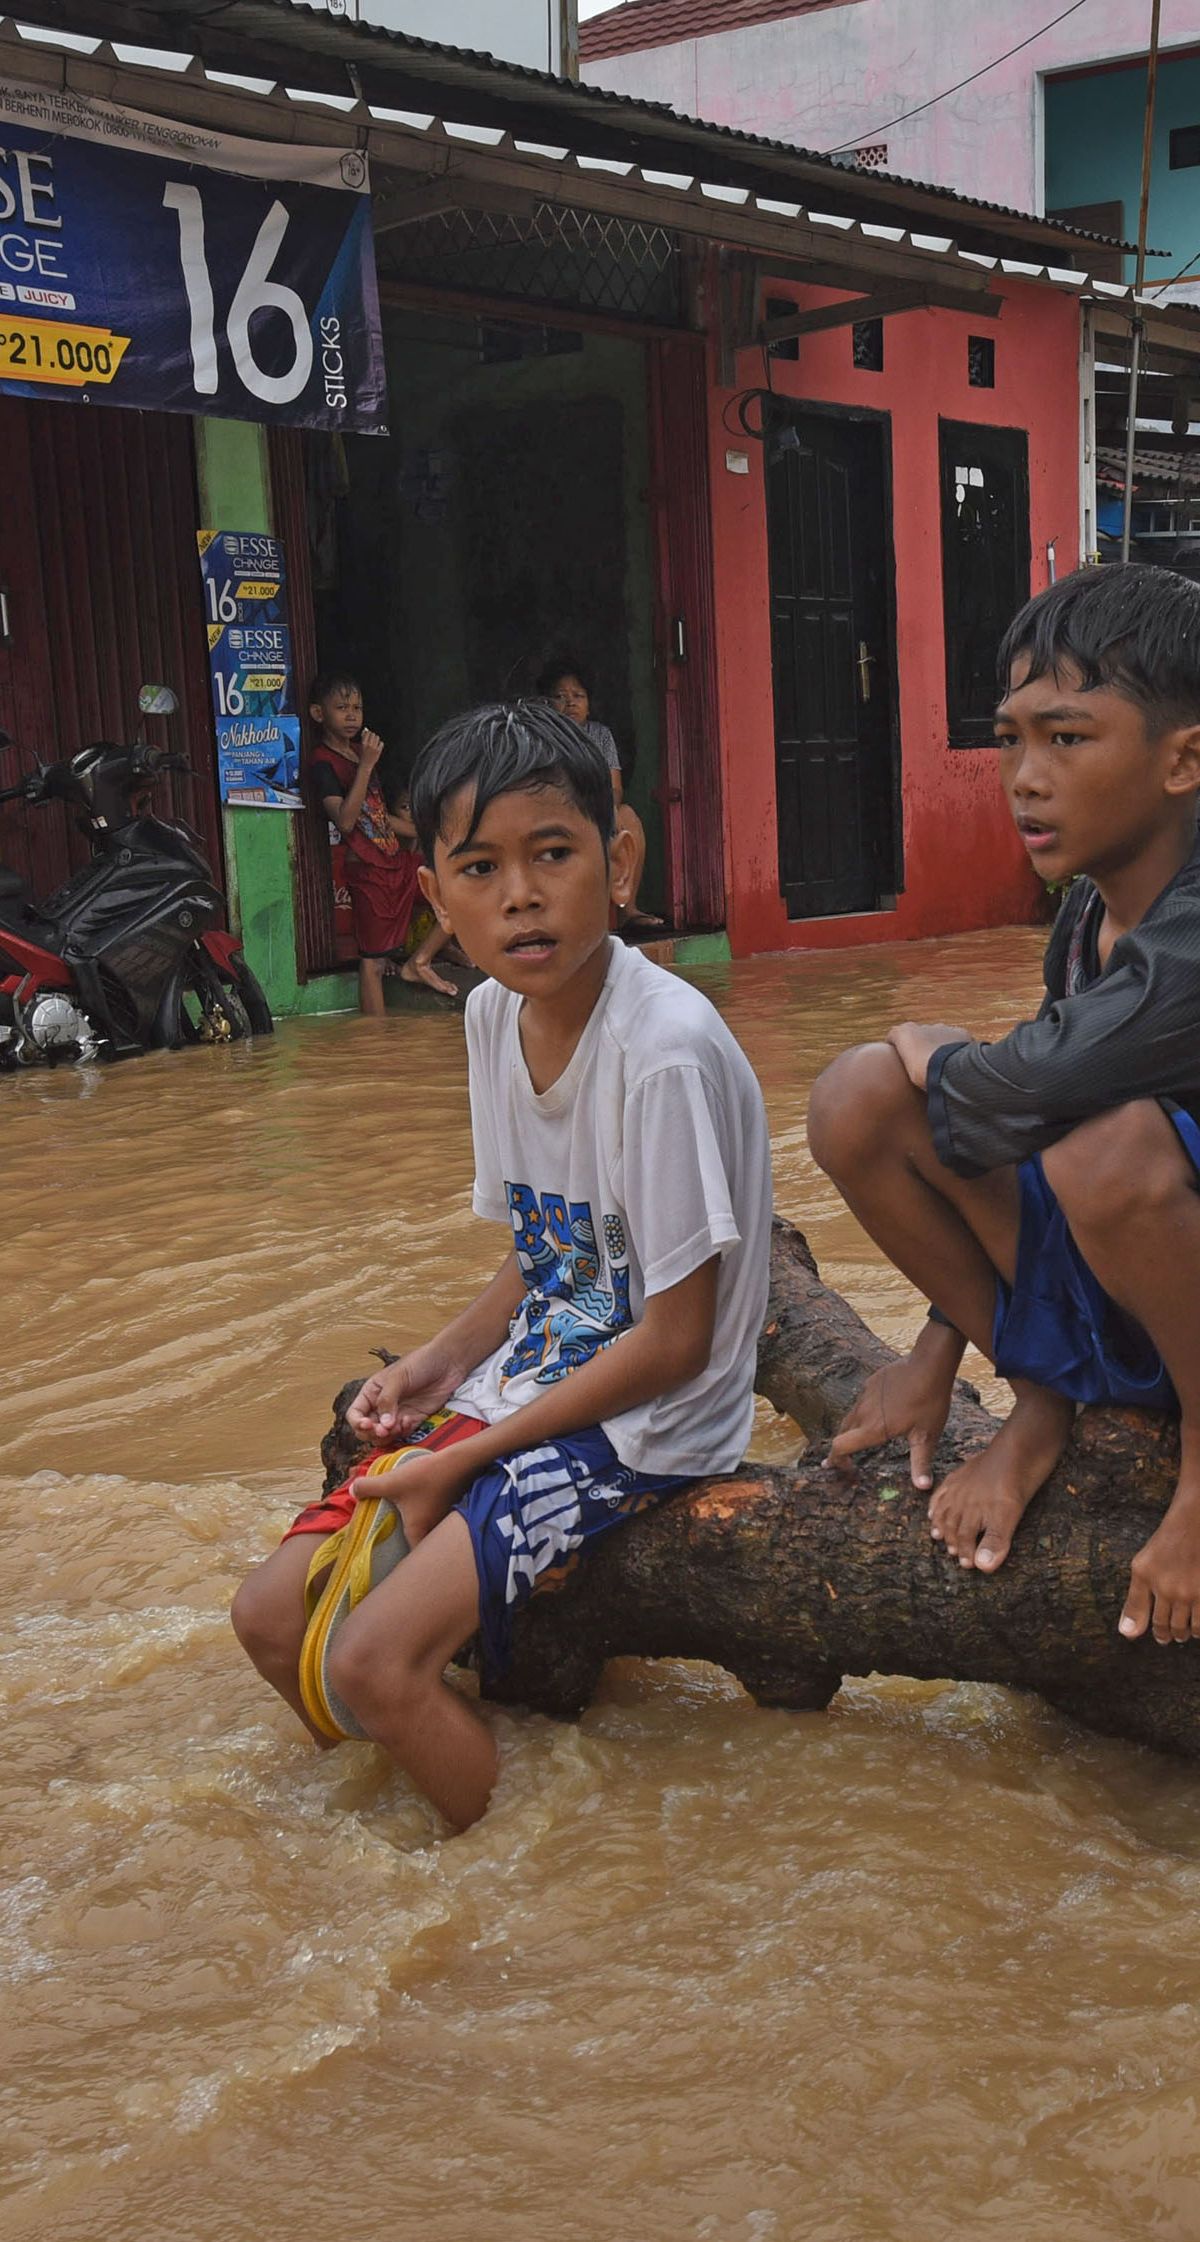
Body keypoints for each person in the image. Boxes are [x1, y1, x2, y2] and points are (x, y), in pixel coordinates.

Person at [804, 561, 1200, 1646]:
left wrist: (936, 1047)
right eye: (1011, 737)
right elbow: (1001, 1120)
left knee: (1094, 1133)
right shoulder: (1086, 917)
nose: (1024, 776)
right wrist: (934, 1357)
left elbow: (1021, 1101)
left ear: (1186, 760)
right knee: (855, 1099)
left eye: (1066, 740)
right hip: (1132, 1252)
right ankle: (1045, 1394)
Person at [228, 702, 770, 1833]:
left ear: (618, 862)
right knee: (272, 1615)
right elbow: (548, 1255)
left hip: (652, 1423)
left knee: (378, 1661)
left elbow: (674, 1343)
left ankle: (510, 1886)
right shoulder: (488, 1015)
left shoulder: (661, 1052)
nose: (520, 894)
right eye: (481, 867)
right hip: (535, 1381)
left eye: (553, 855)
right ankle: (411, 1817)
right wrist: (435, 1367)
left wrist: (465, 1460)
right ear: (436, 898)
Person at [300, 672, 424, 1016]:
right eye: (341, 707)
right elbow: (345, 820)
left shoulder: (359, 752)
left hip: (393, 860)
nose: (352, 715)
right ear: (318, 714)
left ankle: (421, 961)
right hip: (366, 871)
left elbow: (378, 816)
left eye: (356, 707)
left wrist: (424, 830)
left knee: (452, 893)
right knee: (372, 963)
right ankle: (377, 1051)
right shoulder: (323, 762)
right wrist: (367, 766)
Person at [538, 655, 656, 935]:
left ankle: (628, 909)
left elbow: (614, 786)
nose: (570, 702)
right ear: (547, 703)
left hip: (597, 810)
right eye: (560, 696)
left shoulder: (600, 735)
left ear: (589, 704)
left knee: (627, 815)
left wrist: (607, 809)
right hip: (557, 813)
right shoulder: (542, 736)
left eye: (578, 695)